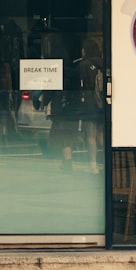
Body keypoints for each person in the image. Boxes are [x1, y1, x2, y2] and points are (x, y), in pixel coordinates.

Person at [49, 37, 105, 172]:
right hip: (102, 103)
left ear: (85, 51)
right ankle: (104, 163)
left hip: (89, 103)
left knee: (90, 136)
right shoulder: (103, 63)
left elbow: (73, 76)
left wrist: (58, 68)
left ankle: (92, 164)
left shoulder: (84, 64)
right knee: (100, 135)